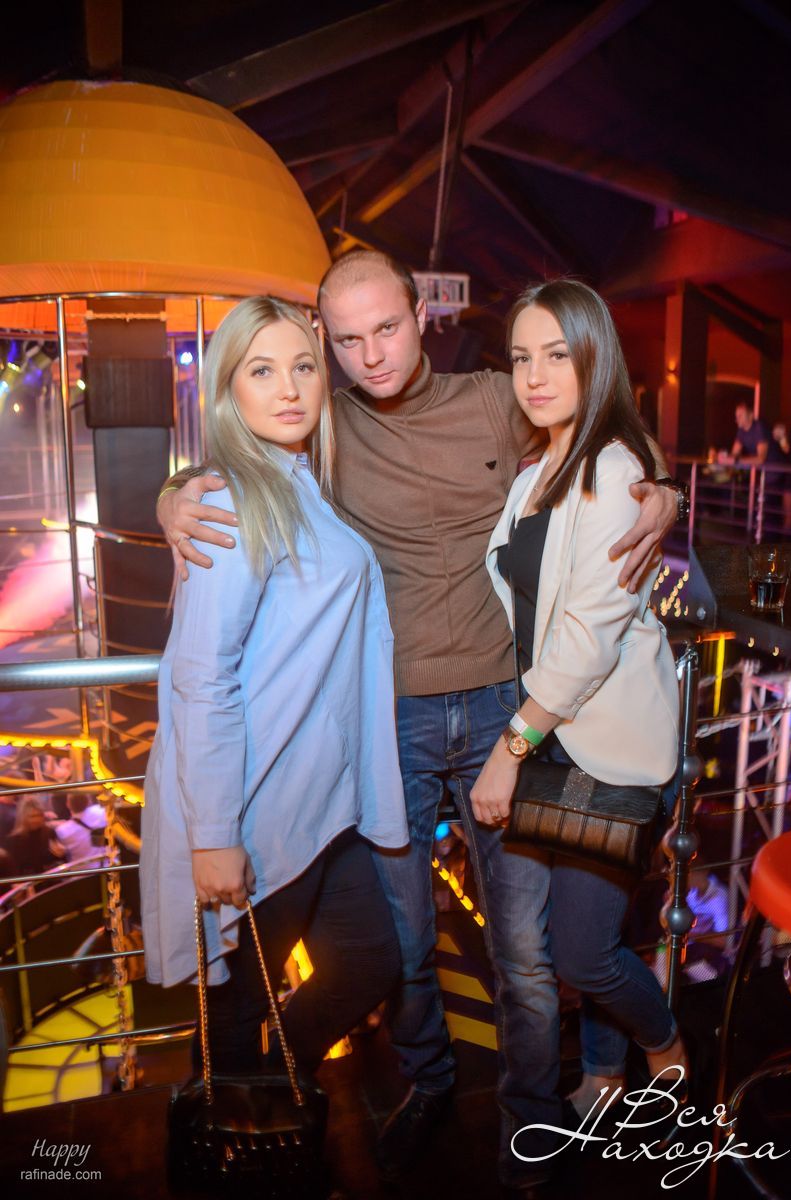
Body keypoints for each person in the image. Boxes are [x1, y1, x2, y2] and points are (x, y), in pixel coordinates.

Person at [157, 252, 680, 1193]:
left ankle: (529, 1119)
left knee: (525, 952)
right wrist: (173, 496)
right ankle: (430, 1085)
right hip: (386, 719)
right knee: (400, 947)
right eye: (347, 341)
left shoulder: (495, 400)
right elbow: (244, 451)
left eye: (387, 328)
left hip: (502, 708)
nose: (372, 355)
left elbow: (598, 422)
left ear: (423, 313)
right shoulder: (328, 424)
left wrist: (662, 487)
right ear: (327, 344)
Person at [141, 296, 407, 1080]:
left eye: (303, 367)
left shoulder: (295, 480)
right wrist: (215, 833)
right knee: (233, 1023)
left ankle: (274, 1087)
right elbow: (202, 679)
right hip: (258, 806)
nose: (289, 388)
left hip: (317, 800)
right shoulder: (230, 500)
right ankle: (235, 1127)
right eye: (262, 371)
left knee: (367, 957)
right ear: (228, 390)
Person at [476, 280, 687, 1163]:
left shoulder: (610, 467)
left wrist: (509, 746)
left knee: (582, 953)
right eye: (522, 356)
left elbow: (589, 636)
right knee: (587, 935)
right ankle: (602, 1074)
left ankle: (666, 1046)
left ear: (594, 358)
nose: (534, 375)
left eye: (557, 354)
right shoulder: (539, 471)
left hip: (602, 743)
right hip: (559, 739)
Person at [6, 796, 64, 880]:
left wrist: (59, 854)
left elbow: (54, 860)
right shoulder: (15, 840)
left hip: (50, 880)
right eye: (32, 816)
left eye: (39, 815)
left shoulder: (49, 832)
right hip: (30, 883)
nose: (37, 819)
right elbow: (16, 869)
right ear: (24, 817)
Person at [54, 791, 107, 862]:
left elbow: (60, 852)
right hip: (108, 863)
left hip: (82, 868)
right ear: (88, 801)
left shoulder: (61, 830)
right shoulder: (101, 811)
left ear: (68, 804)